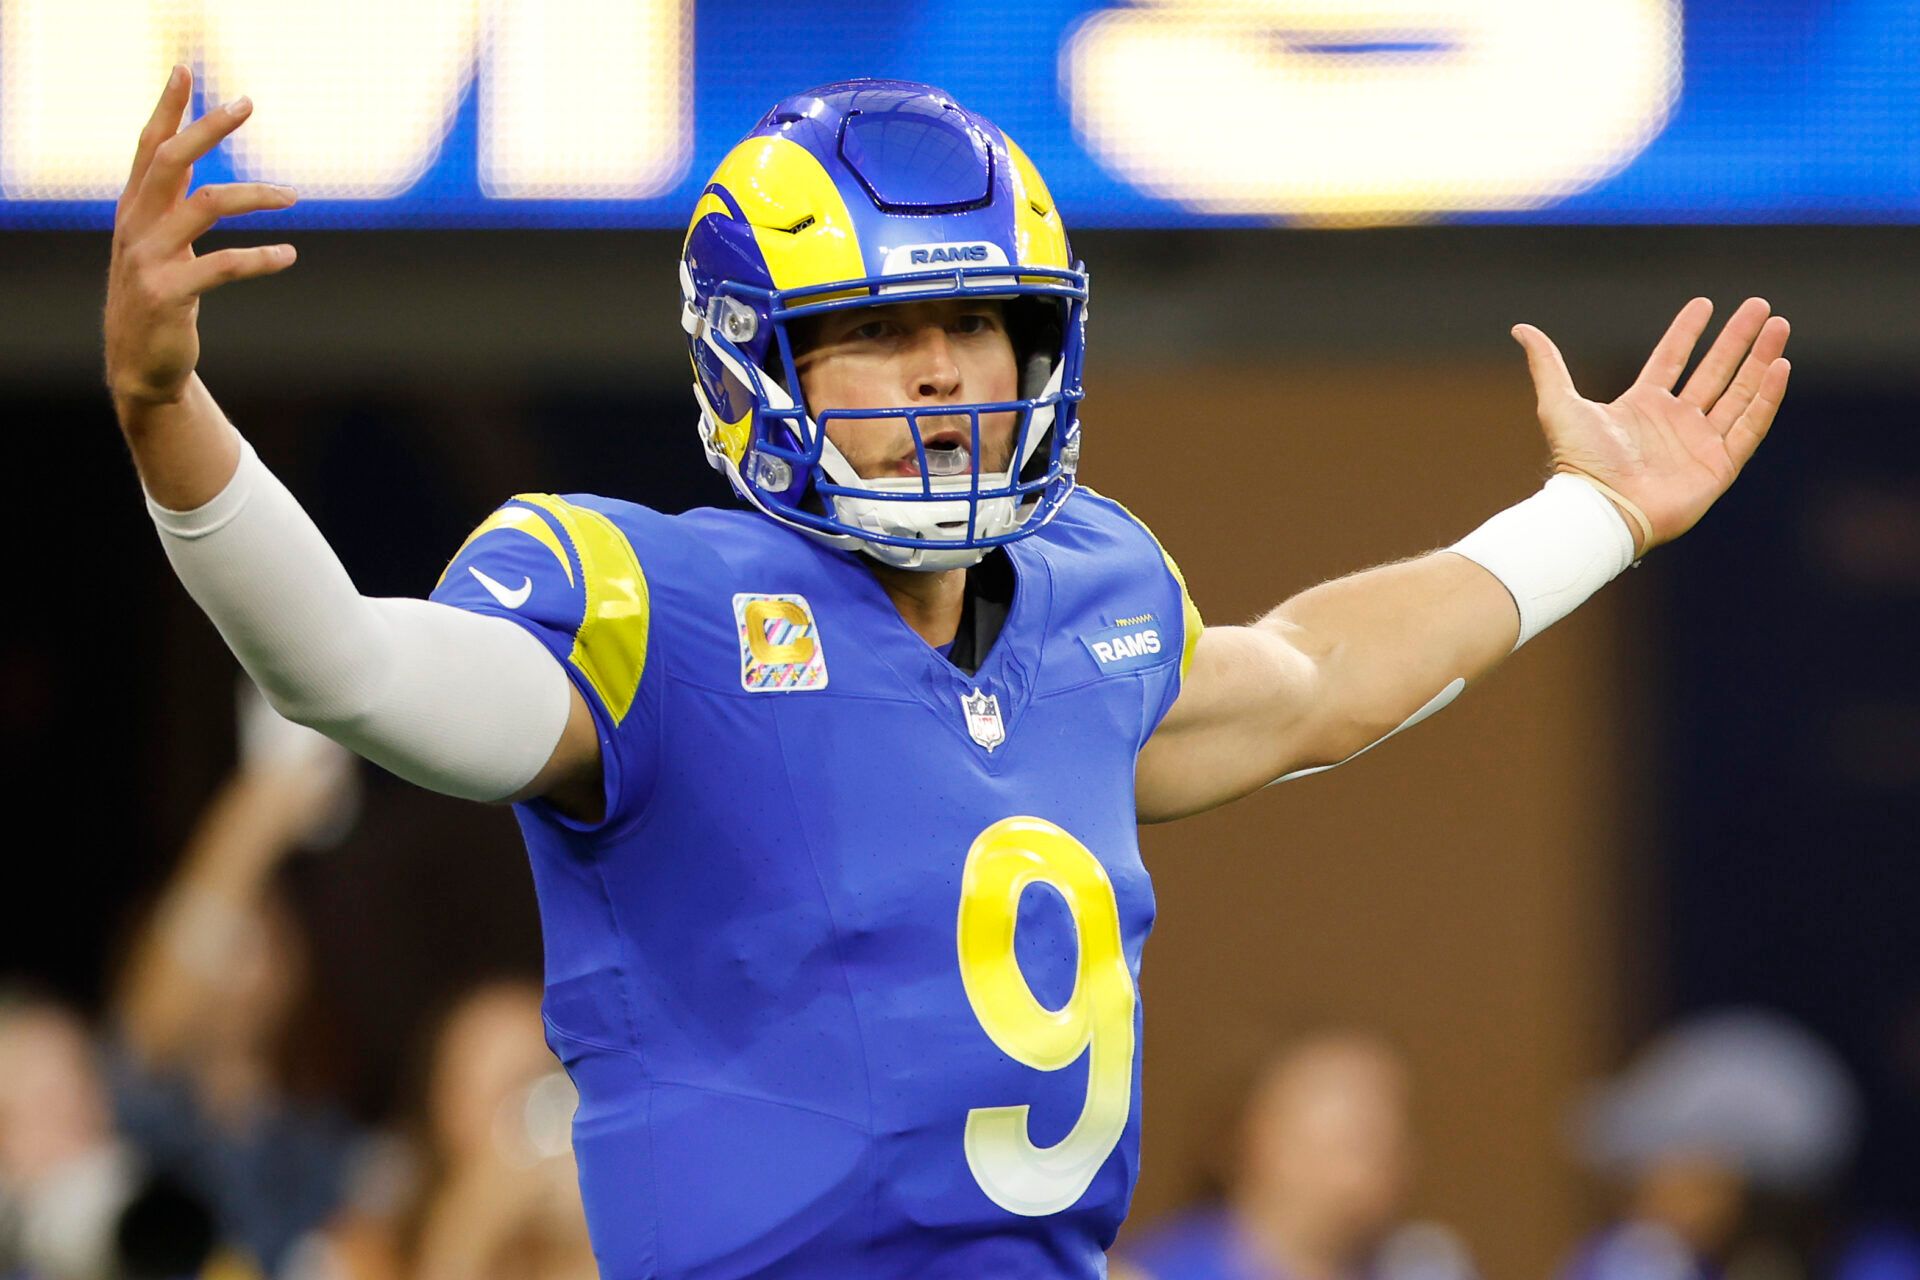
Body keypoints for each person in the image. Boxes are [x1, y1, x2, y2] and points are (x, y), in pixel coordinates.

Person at [103, 67, 1791, 1278]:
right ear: (758, 366)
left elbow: (1312, 682)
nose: (941, 378)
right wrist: (167, 406)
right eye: (877, 337)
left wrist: (1593, 519)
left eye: (975, 325)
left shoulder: (1084, 602)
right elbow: (344, 667)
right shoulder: (657, 610)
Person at [1121, 1031, 1478, 1280]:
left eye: (1391, 1120)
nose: (1383, 1140)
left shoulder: (1419, 1267)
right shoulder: (1145, 1274)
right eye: (1350, 1123)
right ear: (1250, 1138)